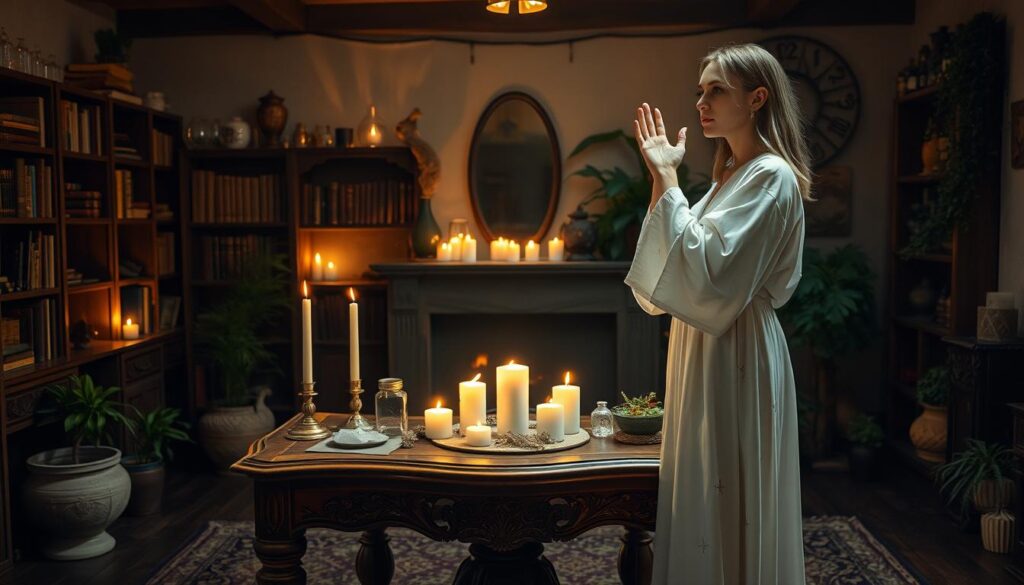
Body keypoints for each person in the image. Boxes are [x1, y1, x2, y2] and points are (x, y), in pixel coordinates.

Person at [624, 42, 814, 584]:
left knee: (733, 485)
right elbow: (673, 264)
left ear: (757, 98)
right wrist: (667, 180)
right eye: (699, 91)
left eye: (716, 91)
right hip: (701, 343)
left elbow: (707, 271)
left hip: (737, 346)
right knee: (701, 485)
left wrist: (665, 178)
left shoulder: (771, 176)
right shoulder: (726, 181)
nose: (702, 102)